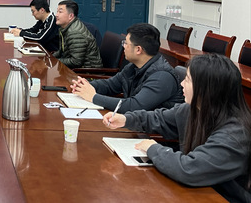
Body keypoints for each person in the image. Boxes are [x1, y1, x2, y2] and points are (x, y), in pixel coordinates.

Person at [104, 54, 251, 202]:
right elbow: (158, 118)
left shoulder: (236, 134)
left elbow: (190, 169)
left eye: (187, 79)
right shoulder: (194, 109)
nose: (181, 83)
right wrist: (126, 119)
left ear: (206, 89)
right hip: (196, 192)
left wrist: (152, 148)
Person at [71, 23, 183, 112]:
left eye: (126, 43)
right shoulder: (133, 67)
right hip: (134, 122)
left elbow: (135, 106)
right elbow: (110, 85)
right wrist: (85, 86)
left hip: (154, 132)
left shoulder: (162, 77)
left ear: (138, 49)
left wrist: (93, 97)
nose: (123, 46)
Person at [53, 0, 102, 69]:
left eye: (60, 12)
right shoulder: (65, 28)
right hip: (77, 69)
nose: (56, 15)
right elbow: (62, 51)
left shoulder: (75, 32)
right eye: (57, 11)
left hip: (87, 72)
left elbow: (76, 62)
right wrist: (50, 57)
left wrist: (54, 61)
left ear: (70, 16)